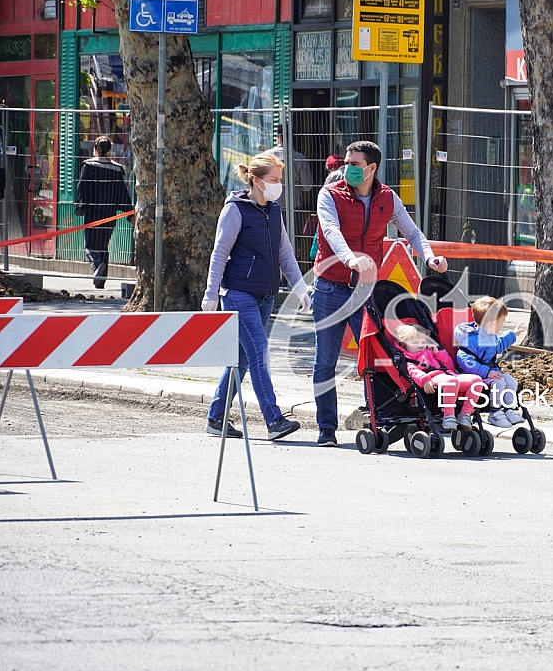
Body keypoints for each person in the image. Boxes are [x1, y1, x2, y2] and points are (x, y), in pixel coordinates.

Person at [312, 140, 448, 448]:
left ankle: (377, 421)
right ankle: (326, 429)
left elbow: (411, 232)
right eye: (345, 163)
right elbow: (331, 231)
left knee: (374, 357)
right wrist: (350, 259)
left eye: (355, 164)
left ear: (372, 168)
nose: (347, 169)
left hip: (365, 291)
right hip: (330, 288)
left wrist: (429, 257)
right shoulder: (329, 195)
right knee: (325, 360)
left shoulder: (387, 198)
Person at [201, 152, 312, 442]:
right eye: (274, 180)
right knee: (259, 352)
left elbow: (285, 253)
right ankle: (273, 419)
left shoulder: (274, 210)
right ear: (256, 180)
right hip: (238, 294)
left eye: (280, 180)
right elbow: (219, 253)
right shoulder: (235, 210)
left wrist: (300, 287)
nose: (279, 185)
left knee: (242, 360)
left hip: (264, 295)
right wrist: (211, 293)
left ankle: (216, 418)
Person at [453, 296, 527, 428]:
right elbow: (465, 360)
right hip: (476, 375)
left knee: (510, 380)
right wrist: (486, 372)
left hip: (490, 373)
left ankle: (509, 409)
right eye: (501, 322)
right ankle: (495, 412)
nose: (502, 325)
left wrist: (512, 335)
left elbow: (499, 345)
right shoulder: (470, 339)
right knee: (499, 381)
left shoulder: (490, 336)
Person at [395, 324, 485, 430]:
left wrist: (438, 353)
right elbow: (414, 372)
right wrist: (425, 381)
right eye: (415, 343)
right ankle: (448, 416)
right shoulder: (409, 359)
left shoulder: (430, 352)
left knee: (477, 381)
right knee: (452, 381)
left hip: (448, 374)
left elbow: (449, 366)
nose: (420, 345)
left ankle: (465, 414)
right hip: (432, 377)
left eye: (423, 342)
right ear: (403, 344)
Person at [75, 136, 133, 289]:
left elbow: (82, 187)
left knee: (90, 246)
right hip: (110, 213)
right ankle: (100, 282)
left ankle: (97, 265)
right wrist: (130, 214)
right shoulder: (117, 169)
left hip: (93, 212)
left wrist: (80, 206)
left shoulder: (88, 165)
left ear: (95, 149)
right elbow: (122, 193)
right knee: (103, 245)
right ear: (109, 150)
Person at [265, 126, 314, 221]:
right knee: (291, 235)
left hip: (270, 204)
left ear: (278, 138)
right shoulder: (299, 157)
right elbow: (308, 186)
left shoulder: (267, 156)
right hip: (293, 206)